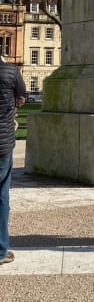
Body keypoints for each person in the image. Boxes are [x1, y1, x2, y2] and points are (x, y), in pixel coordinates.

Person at [0, 55, 26, 265]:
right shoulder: (11, 72)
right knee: (2, 197)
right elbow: (21, 96)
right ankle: (0, 250)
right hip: (2, 142)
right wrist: (12, 113)